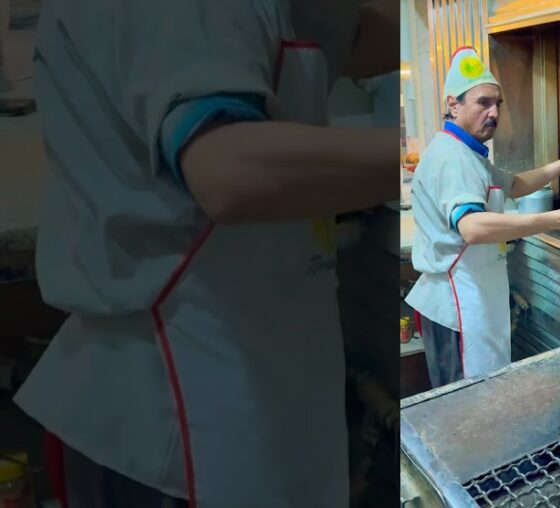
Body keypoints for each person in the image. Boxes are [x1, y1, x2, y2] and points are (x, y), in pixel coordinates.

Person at [14, 0, 397, 506]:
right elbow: (230, 172)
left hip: (250, 370)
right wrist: (442, 154)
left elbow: (365, 41)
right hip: (185, 406)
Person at [406, 47, 560, 389]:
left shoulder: (469, 153)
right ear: (453, 105)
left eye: (498, 103)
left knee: (485, 399)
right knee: (466, 409)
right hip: (457, 308)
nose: (494, 112)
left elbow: (512, 185)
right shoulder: (452, 158)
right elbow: (472, 227)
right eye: (482, 102)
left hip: (475, 300)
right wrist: (555, 219)